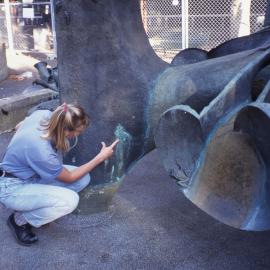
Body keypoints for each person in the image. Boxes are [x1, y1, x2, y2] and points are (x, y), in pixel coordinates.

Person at [0, 103, 119, 246]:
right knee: (69, 201)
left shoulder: (43, 115)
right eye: (78, 132)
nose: (78, 135)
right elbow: (69, 178)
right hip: (11, 187)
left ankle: (31, 203)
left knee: (83, 179)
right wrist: (101, 157)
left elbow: (20, 125)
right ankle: (19, 220)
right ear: (66, 130)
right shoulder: (42, 152)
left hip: (31, 175)